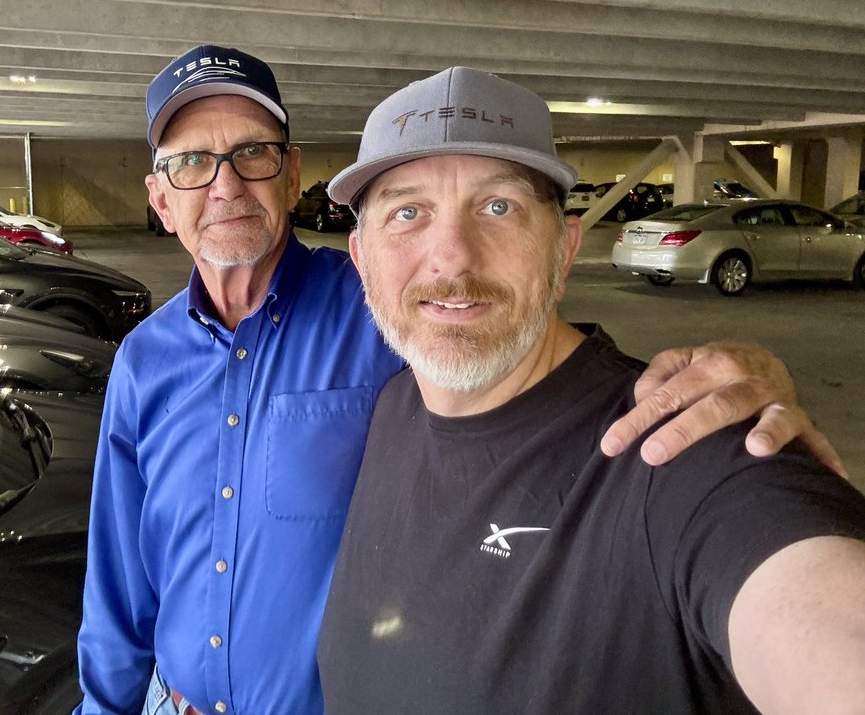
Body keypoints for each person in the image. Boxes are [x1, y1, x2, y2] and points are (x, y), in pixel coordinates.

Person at [75, 45, 840, 715]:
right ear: (159, 198)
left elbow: (528, 355)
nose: (226, 184)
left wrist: (738, 371)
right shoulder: (145, 360)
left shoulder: (386, 310)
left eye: (253, 153)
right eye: (191, 162)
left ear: (293, 173)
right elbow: (119, 582)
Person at [316, 65, 865, 712]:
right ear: (361, 258)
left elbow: (820, 614)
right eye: (408, 212)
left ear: (565, 247)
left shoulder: (683, 451)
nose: (453, 256)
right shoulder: (391, 407)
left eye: (499, 206)